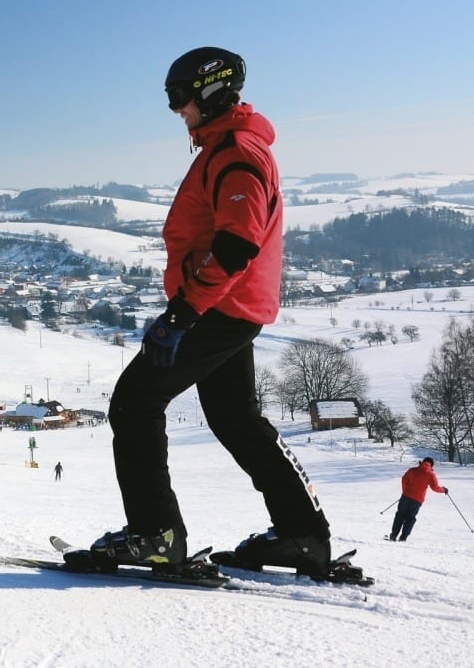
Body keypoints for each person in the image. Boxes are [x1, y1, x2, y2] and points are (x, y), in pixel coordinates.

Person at [91, 47, 333, 578]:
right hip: (227, 306)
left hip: (219, 307)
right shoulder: (226, 147)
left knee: (135, 402)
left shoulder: (236, 153)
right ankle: (302, 535)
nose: (176, 109)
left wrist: (182, 314)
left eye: (180, 97)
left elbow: (237, 246)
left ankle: (155, 536)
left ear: (212, 91)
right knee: (234, 418)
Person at [390, 457, 448, 542]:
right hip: (417, 500)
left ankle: (393, 535)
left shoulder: (413, 470)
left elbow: (404, 479)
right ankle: (403, 538)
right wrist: (444, 490)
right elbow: (435, 488)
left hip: (406, 496)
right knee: (410, 518)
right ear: (432, 465)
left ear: (422, 462)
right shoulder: (431, 475)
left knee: (400, 515)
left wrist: (405, 491)